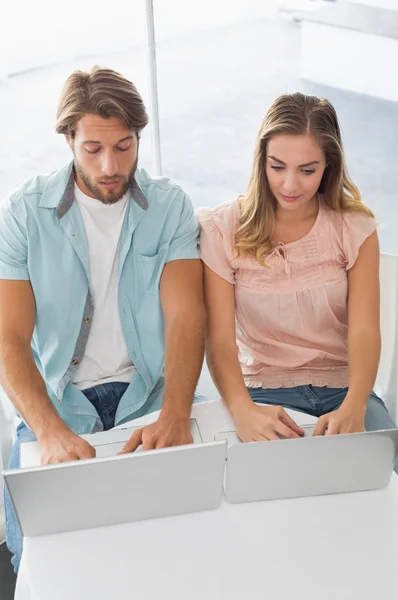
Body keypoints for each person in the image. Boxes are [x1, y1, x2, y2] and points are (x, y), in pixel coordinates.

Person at [0, 66, 205, 573]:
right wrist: (47, 430)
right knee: (45, 557)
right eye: (93, 149)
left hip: (152, 398)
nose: (111, 165)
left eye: (125, 145)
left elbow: (186, 317)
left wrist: (177, 412)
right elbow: (8, 336)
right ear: (68, 140)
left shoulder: (171, 207)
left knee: (180, 547)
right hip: (58, 408)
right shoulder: (24, 214)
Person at [198, 92, 398, 473]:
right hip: (262, 394)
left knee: (384, 480)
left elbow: (364, 331)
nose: (290, 185)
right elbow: (219, 340)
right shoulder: (222, 228)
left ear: (329, 166)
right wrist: (242, 409)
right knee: (266, 493)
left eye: (307, 170)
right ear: (261, 161)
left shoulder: (354, 226)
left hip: (345, 388)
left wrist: (355, 406)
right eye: (278, 167)